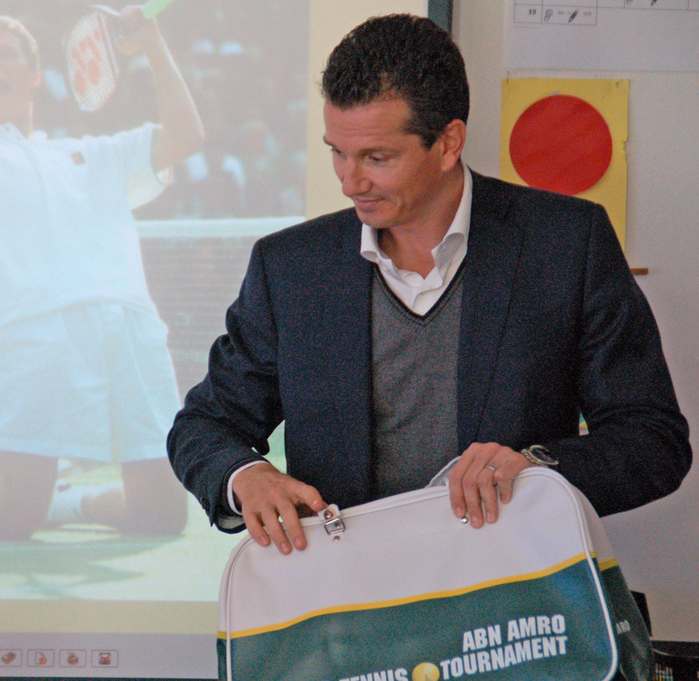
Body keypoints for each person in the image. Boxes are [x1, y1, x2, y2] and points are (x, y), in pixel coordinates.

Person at [167, 13, 691, 555]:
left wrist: (535, 469)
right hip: (346, 597)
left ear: (448, 144)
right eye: (337, 152)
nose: (350, 182)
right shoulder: (290, 268)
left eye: (376, 158)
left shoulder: (565, 244)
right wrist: (245, 475)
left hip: (511, 590)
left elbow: (654, 440)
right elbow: (203, 425)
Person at [0, 7, 203, 539]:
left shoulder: (96, 154)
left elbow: (186, 135)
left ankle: (67, 505)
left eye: (8, 54)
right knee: (15, 517)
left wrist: (152, 42)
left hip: (132, 332)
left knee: (162, 515)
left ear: (34, 76)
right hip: (32, 335)